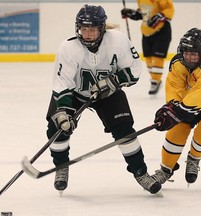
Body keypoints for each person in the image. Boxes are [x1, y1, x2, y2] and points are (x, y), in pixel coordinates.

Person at [46, 4, 161, 196]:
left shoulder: (118, 41)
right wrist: (65, 112)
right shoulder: (68, 47)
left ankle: (141, 173)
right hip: (74, 94)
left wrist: (114, 81)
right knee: (57, 128)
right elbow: (62, 83)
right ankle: (61, 166)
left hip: (109, 93)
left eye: (92, 29)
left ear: (102, 28)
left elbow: (134, 70)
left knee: (124, 130)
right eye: (84, 29)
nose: (88, 34)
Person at [150, 28, 201, 187]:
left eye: (194, 53)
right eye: (186, 52)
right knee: (176, 131)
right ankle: (165, 170)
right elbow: (175, 88)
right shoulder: (177, 63)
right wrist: (172, 107)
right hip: (190, 101)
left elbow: (198, 96)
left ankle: (194, 159)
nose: (189, 57)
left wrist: (175, 113)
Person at [121, 0, 174, 95]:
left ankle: (155, 81)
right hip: (146, 32)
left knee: (157, 58)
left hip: (161, 32)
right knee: (148, 60)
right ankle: (155, 79)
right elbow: (143, 14)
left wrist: (160, 16)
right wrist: (131, 13)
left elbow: (169, 10)